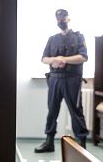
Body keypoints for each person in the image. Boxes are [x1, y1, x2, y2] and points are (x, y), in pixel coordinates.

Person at [34, 9, 89, 153]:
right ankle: (49, 142)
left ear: (68, 18)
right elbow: (44, 58)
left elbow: (83, 57)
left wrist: (64, 59)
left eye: (63, 18)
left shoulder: (78, 37)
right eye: (58, 18)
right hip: (55, 80)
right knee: (52, 111)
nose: (61, 21)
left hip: (72, 80)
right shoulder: (52, 39)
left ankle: (82, 144)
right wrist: (54, 60)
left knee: (76, 112)